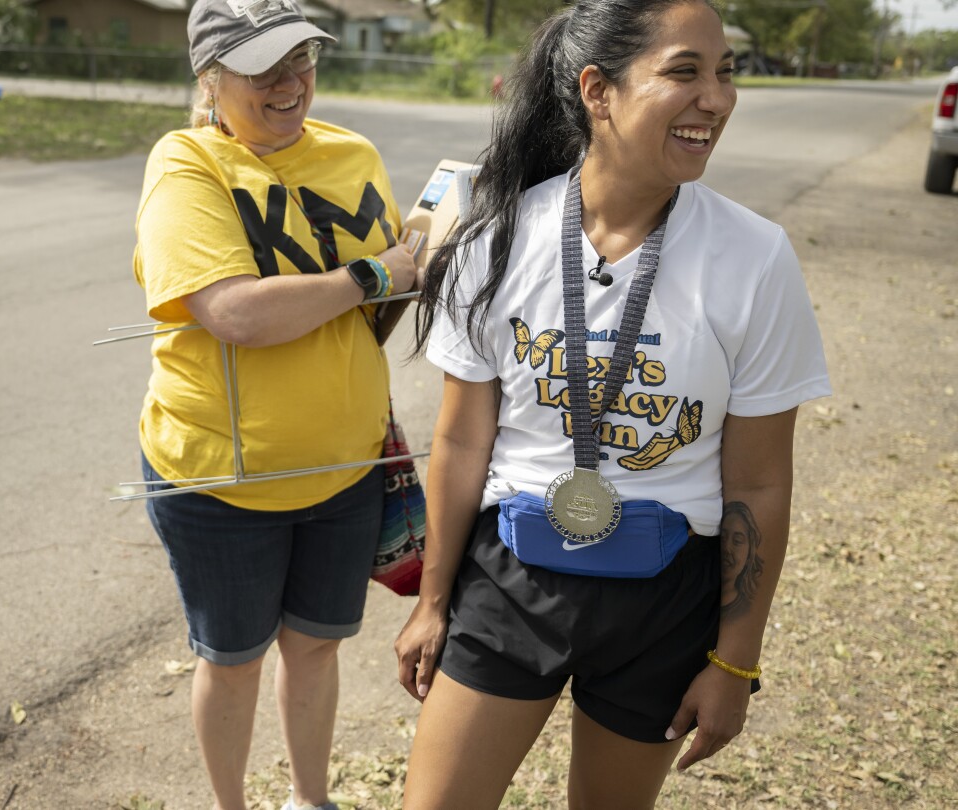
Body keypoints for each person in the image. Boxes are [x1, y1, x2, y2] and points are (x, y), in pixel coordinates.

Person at [394, 1, 831, 807]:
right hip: (510, 577)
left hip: (667, 598)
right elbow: (459, 445)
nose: (717, 98)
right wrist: (431, 603)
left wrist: (734, 661)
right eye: (685, 72)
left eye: (726, 73)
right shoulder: (496, 236)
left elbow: (760, 484)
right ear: (599, 90)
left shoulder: (754, 257)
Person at [131, 1, 418, 807]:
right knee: (232, 659)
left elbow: (371, 312)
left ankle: (309, 799)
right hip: (221, 480)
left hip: (346, 467)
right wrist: (379, 274)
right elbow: (236, 313)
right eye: (262, 68)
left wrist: (433, 252)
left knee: (317, 650)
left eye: (302, 58)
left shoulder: (354, 154)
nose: (291, 83)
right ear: (211, 79)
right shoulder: (186, 163)